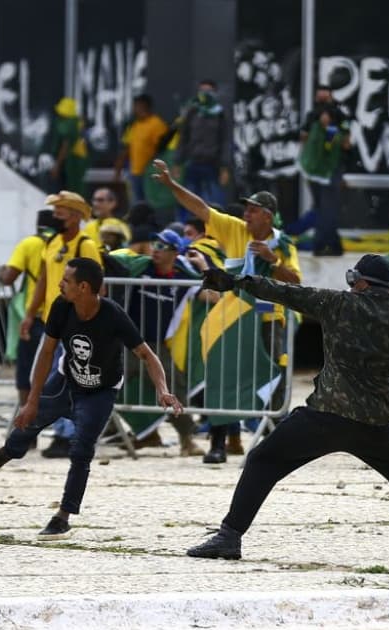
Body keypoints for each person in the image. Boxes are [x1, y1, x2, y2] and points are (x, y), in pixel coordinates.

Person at [186, 254, 389, 561]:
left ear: (361, 283)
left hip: (326, 416)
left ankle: (229, 537)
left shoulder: (339, 304)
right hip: (374, 422)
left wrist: (235, 282)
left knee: (262, 460)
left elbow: (285, 292)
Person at [0, 258, 183, 540]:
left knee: (82, 450)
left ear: (83, 287)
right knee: (27, 423)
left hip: (100, 393)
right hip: (64, 382)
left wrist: (162, 389)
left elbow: (147, 355)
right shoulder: (61, 307)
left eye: (65, 281)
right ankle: (10, 451)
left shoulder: (113, 315)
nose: (60, 284)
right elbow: (46, 353)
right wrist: (32, 400)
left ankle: (62, 516)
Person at [153, 159, 300, 463]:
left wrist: (273, 260)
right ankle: (218, 444)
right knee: (222, 376)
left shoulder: (283, 244)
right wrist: (170, 185)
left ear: (268, 216)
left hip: (268, 319)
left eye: (252, 210)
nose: (246, 214)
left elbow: (296, 281)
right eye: (245, 209)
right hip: (231, 317)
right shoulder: (235, 230)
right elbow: (201, 208)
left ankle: (273, 443)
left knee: (273, 378)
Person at [21, 191, 103, 457]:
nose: (54, 216)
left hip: (77, 323)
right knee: (47, 379)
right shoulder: (52, 241)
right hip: (52, 321)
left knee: (68, 382)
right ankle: (55, 432)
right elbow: (43, 280)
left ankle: (68, 437)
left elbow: (98, 286)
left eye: (60, 212)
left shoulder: (86, 245)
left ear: (76, 216)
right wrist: (30, 313)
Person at [112, 229, 205, 456]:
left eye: (162, 246)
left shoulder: (184, 275)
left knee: (174, 388)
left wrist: (203, 267)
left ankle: (186, 439)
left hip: (155, 346)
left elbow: (213, 295)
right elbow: (112, 262)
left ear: (175, 252)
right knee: (104, 387)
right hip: (127, 342)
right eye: (154, 242)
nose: (155, 249)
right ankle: (143, 433)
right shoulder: (141, 266)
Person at [0, 209, 58, 407]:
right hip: (61, 317)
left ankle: (27, 421)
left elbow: (8, 277)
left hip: (36, 316)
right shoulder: (62, 244)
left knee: (26, 372)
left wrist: (0, 273)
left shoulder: (29, 244)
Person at [297, 85, 351, 256]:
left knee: (328, 208)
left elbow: (346, 142)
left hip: (332, 169)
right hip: (315, 169)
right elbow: (304, 137)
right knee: (322, 208)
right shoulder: (312, 116)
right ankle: (330, 244)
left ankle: (324, 244)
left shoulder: (340, 116)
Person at [175, 79, 230, 217]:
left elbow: (225, 141)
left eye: (208, 91)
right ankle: (188, 231)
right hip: (192, 163)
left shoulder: (219, 114)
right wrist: (177, 162)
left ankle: (213, 232)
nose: (204, 94)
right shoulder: (192, 111)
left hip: (212, 165)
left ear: (215, 93)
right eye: (202, 91)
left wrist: (224, 167)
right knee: (188, 201)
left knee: (213, 204)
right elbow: (184, 138)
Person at [115, 94, 169, 202]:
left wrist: (156, 168)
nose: (134, 109)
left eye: (136, 106)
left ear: (145, 106)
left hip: (150, 172)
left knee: (150, 203)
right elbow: (127, 148)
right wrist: (118, 168)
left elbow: (163, 150)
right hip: (134, 172)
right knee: (136, 203)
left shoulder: (157, 124)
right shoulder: (135, 125)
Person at [48, 97, 89, 196]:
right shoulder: (77, 122)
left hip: (70, 163)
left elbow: (65, 146)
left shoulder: (68, 124)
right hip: (78, 161)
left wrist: (57, 166)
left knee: (67, 193)